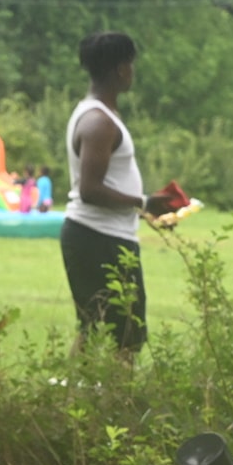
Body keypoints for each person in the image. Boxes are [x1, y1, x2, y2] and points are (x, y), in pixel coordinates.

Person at [62, 32, 173, 353]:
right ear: (121, 69)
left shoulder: (97, 114)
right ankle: (116, 400)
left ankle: (73, 398)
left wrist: (146, 208)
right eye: (130, 64)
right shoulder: (99, 122)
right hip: (99, 237)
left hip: (102, 234)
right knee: (126, 337)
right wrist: (144, 202)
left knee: (93, 327)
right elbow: (90, 190)